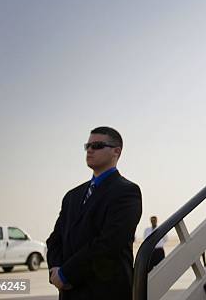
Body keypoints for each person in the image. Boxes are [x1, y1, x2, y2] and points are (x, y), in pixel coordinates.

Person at [46, 126, 142, 300]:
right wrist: (55, 271)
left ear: (116, 151)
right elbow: (55, 239)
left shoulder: (127, 192)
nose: (90, 150)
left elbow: (110, 243)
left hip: (105, 292)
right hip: (69, 293)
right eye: (87, 146)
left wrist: (66, 274)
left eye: (97, 145)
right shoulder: (72, 196)